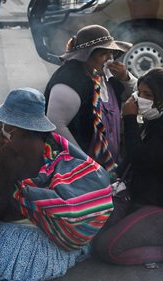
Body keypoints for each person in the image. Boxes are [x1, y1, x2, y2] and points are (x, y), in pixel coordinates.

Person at [0, 88, 114, 281]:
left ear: (12, 126)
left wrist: (1, 151)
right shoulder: (53, 143)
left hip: (25, 248)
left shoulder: (11, 153)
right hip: (56, 245)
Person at [91, 68, 163, 265]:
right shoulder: (158, 118)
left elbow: (140, 160)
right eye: (139, 92)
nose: (139, 98)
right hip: (148, 200)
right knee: (94, 232)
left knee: (108, 248)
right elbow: (131, 161)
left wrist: (129, 119)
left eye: (147, 95)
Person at [44, 24, 135, 171]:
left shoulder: (108, 76)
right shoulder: (70, 80)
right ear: (86, 56)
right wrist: (86, 164)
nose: (109, 59)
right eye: (103, 54)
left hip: (108, 167)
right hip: (79, 171)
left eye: (110, 53)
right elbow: (56, 124)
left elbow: (136, 95)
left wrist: (126, 77)